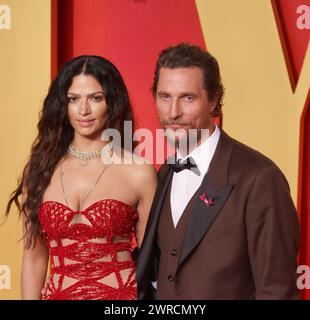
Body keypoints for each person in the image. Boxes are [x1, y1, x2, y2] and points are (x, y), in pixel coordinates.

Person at [136, 43, 300, 300]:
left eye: (188, 98)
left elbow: (277, 291)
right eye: (164, 97)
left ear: (214, 100)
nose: (173, 112)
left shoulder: (259, 178)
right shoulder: (163, 172)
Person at [6, 55, 157, 300]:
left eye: (95, 98)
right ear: (62, 105)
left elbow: (153, 260)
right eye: (73, 99)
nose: (84, 110)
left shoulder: (138, 172)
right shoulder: (39, 171)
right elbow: (33, 260)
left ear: (112, 102)